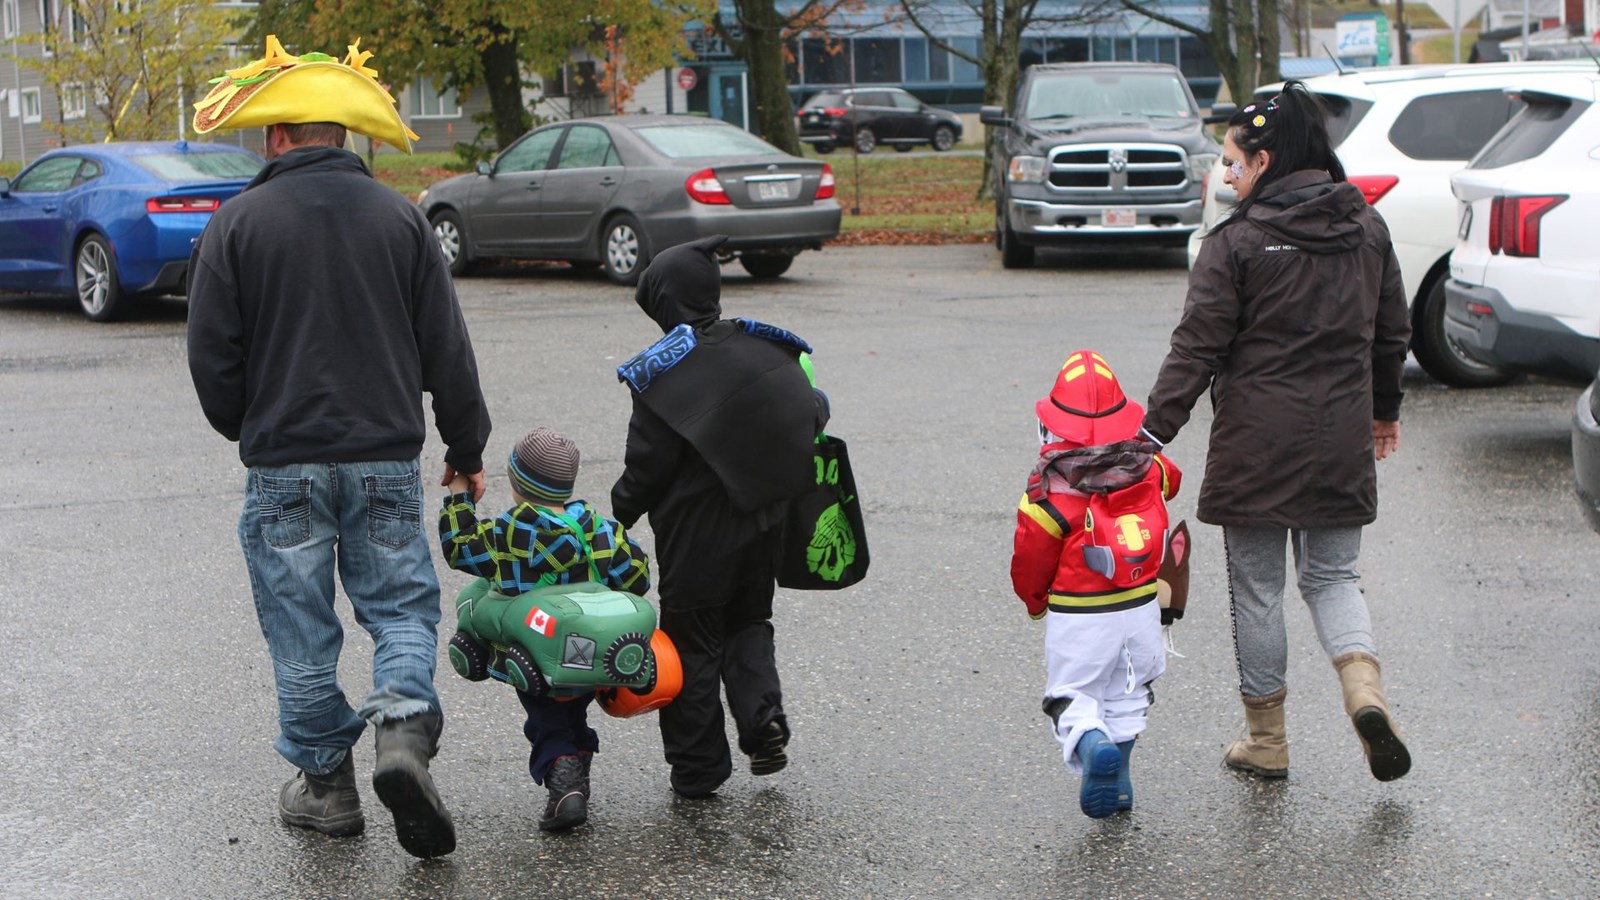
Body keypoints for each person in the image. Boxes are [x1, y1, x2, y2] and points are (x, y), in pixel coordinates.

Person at [185, 36, 490, 858]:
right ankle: (399, 729)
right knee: (399, 606)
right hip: (385, 457)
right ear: (346, 135)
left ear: (278, 135)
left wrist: (247, 426)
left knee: (300, 626)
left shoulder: (236, 224)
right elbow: (446, 346)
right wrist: (467, 443)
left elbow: (212, 355)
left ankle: (326, 786)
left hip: (283, 459)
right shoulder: (402, 218)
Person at [1141, 82, 1413, 783]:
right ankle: (1363, 691)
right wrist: (1385, 411)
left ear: (1264, 161)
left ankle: (1267, 742)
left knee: (1258, 591)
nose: (1227, 176)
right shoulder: (1368, 230)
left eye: (1233, 163)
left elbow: (1195, 348)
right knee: (1332, 576)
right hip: (1342, 435)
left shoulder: (1237, 242)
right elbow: (1391, 334)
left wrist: (1149, 436)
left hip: (1256, 444)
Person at [611, 236, 829, 799]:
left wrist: (617, 514)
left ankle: (698, 768)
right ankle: (763, 724)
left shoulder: (662, 375)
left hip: (694, 538)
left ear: (667, 302)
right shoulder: (767, 347)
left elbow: (648, 466)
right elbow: (813, 407)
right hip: (762, 524)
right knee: (749, 623)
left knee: (692, 643)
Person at [438, 427, 650, 831]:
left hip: (537, 656)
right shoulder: (598, 528)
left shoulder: (510, 532)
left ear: (516, 483)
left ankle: (564, 781)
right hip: (590, 651)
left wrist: (459, 498)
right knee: (572, 709)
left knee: (547, 718)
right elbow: (637, 578)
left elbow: (459, 546)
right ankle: (577, 776)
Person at [1011, 350, 1183, 818]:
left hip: (1080, 614)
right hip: (1141, 607)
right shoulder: (1151, 470)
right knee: (1129, 693)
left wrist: (1034, 602)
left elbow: (1030, 559)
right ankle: (1121, 783)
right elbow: (1174, 478)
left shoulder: (1048, 496)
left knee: (1072, 696)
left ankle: (1092, 747)